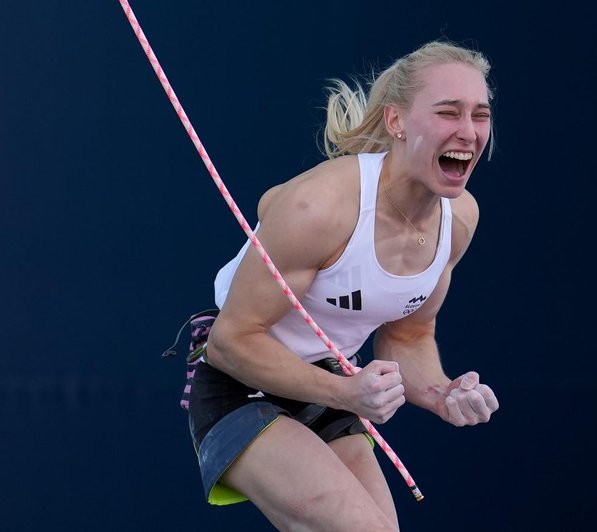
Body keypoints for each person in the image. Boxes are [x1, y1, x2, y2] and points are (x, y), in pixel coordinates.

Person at [186, 39, 500, 531]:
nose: (469, 132)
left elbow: (409, 335)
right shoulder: (322, 207)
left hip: (330, 386)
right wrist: (346, 392)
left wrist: (442, 393)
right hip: (239, 385)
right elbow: (230, 342)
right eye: (447, 113)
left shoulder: (460, 217)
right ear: (396, 122)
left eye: (480, 115)